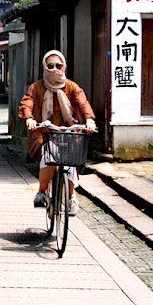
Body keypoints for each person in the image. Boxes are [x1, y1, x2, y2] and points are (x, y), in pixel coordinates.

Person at [18, 50, 96, 214]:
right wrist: (29, 118)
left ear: (64, 67)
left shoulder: (71, 86)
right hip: (43, 133)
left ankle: (71, 196)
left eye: (58, 66)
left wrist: (89, 119)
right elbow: (27, 103)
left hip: (68, 132)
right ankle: (41, 192)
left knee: (71, 158)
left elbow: (82, 103)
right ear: (45, 67)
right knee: (50, 155)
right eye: (50, 66)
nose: (54, 69)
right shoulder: (36, 87)